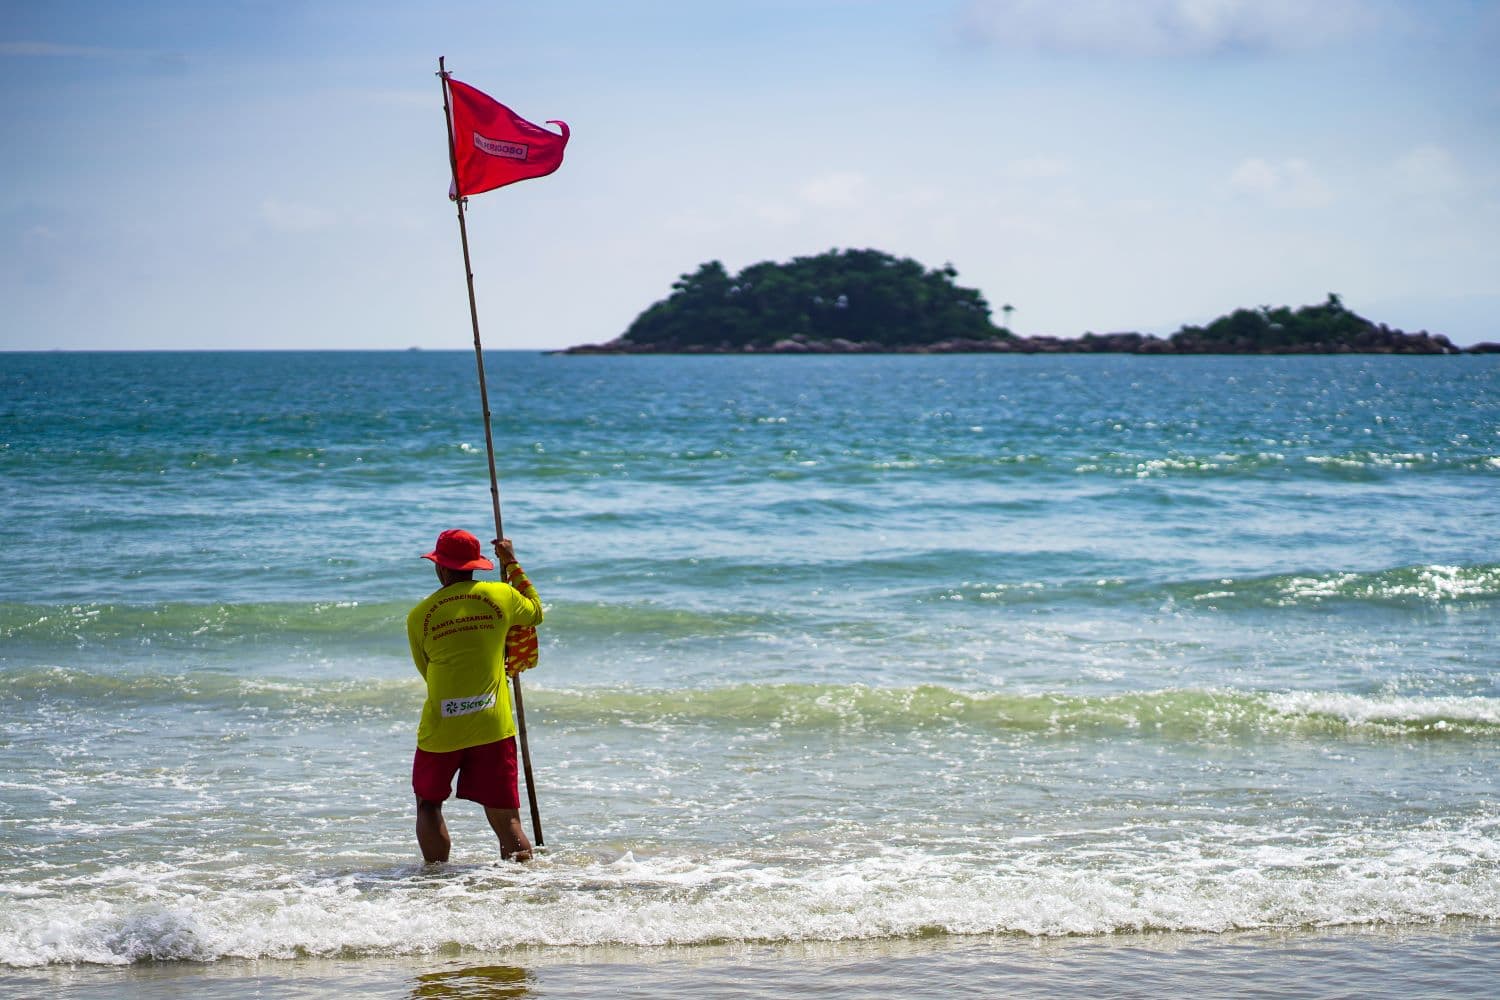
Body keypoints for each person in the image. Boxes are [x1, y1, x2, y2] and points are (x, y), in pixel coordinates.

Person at [406, 528, 543, 863]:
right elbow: (536, 611)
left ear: (440, 567)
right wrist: (511, 563)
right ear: (475, 566)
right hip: (493, 724)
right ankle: (523, 889)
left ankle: (435, 881)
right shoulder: (501, 596)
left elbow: (427, 671)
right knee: (506, 816)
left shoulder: (420, 615)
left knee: (428, 803)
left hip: (442, 728)